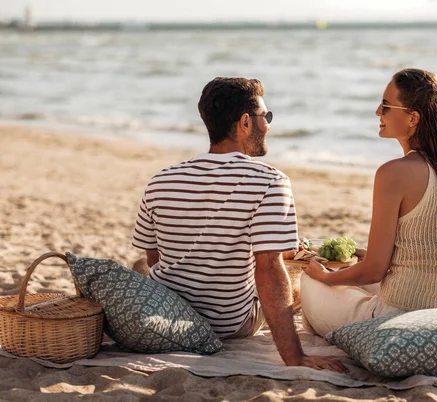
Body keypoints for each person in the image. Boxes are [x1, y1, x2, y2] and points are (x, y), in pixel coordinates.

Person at [131, 77, 346, 373]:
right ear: (245, 123)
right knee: (295, 276)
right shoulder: (271, 181)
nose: (268, 125)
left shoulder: (161, 180)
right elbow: (269, 270)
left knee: (139, 264)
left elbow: (154, 258)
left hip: (171, 316)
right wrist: (295, 357)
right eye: (265, 117)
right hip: (230, 323)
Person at [301, 68, 437, 337]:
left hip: (400, 318)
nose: (377, 112)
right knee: (349, 276)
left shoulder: (393, 173)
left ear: (413, 118)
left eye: (386, 106)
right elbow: (428, 252)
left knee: (310, 281)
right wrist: (365, 257)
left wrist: (326, 277)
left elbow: (373, 271)